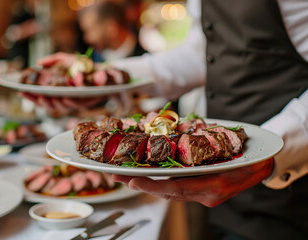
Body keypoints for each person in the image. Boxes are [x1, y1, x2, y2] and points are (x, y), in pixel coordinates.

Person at [23, 0, 308, 239]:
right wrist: (100, 79)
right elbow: (201, 55)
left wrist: (273, 152)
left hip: (293, 193)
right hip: (221, 190)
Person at [78, 1, 147, 62]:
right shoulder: (93, 61)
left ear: (111, 28)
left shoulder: (146, 54)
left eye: (90, 31)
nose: (87, 39)